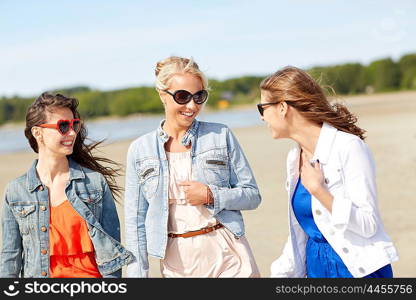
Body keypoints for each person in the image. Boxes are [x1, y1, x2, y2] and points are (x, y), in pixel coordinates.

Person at [124, 56, 261, 277]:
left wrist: (211, 195)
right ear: (162, 95)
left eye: (199, 97)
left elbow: (252, 195)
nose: (192, 106)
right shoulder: (140, 150)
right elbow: (135, 223)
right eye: (182, 96)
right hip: (176, 262)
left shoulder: (220, 135)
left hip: (227, 252)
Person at [258, 66, 398, 278]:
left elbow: (369, 224)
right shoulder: (294, 158)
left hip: (356, 270)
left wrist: (320, 191)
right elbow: (302, 231)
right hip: (316, 269)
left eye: (262, 108)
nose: (261, 118)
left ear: (283, 107)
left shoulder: (349, 147)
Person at [0, 92, 134, 278]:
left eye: (74, 125)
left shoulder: (94, 183)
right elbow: (10, 259)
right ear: (37, 133)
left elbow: (112, 254)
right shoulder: (16, 191)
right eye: (63, 126)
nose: (72, 132)